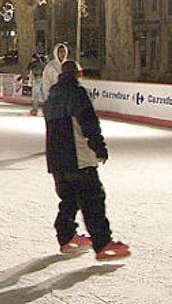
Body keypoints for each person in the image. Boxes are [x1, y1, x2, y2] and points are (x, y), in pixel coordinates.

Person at [45, 60, 130, 261]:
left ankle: (66, 238)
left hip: (56, 160)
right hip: (77, 157)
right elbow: (89, 123)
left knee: (69, 198)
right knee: (93, 197)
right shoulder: (77, 93)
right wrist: (99, 147)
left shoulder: (51, 97)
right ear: (78, 74)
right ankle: (103, 244)